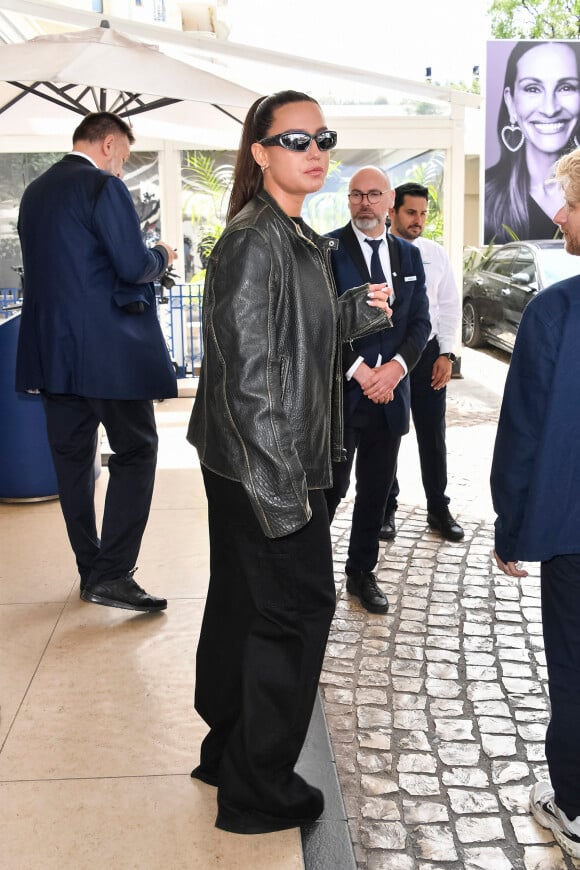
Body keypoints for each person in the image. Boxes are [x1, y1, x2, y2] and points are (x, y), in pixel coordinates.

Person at [186, 92, 391, 835]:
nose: (315, 149)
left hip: (259, 460)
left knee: (243, 608)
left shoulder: (295, 238)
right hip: (265, 467)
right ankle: (257, 788)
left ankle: (228, 750)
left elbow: (290, 340)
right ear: (261, 152)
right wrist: (282, 498)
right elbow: (247, 381)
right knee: (295, 614)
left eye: (323, 137)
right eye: (295, 137)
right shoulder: (255, 241)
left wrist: (353, 315)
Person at [16, 111, 178, 613]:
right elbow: (132, 264)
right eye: (124, 159)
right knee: (137, 450)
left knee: (72, 464)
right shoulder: (102, 189)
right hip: (108, 355)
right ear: (108, 145)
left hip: (51, 353)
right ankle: (112, 574)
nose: (122, 171)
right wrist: (163, 255)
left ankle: (92, 569)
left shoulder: (34, 193)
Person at [490, 146, 580, 860]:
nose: (559, 214)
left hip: (573, 534)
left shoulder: (557, 311)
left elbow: (523, 432)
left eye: (573, 202)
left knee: (576, 666)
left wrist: (512, 526)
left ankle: (574, 806)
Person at [324, 166, 431, 614]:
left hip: (391, 396)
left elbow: (420, 323)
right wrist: (362, 372)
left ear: (390, 200)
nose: (364, 203)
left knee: (375, 492)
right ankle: (309, 576)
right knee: (330, 490)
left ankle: (361, 573)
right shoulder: (325, 249)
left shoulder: (409, 256)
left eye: (373, 195)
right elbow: (318, 321)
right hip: (343, 396)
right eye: (355, 195)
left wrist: (395, 371)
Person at [380, 182, 463, 543]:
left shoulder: (435, 253)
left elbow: (448, 305)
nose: (418, 221)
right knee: (386, 436)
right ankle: (385, 509)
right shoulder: (377, 252)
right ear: (392, 212)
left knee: (433, 436)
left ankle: (438, 508)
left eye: (424, 214)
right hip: (388, 356)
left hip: (428, 355)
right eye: (411, 212)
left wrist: (446, 353)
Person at [484, 40, 580, 244]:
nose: (550, 109)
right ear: (510, 102)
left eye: (565, 87)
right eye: (533, 89)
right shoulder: (488, 197)